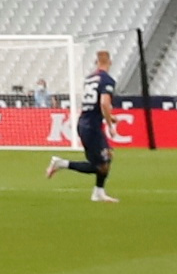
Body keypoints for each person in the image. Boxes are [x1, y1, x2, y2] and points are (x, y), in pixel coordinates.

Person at [46, 47, 123, 201]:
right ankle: (61, 164)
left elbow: (93, 104)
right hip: (92, 127)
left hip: (85, 123)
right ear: (110, 62)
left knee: (106, 158)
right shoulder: (107, 80)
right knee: (99, 165)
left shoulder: (89, 78)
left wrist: (110, 117)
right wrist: (111, 125)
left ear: (96, 62)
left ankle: (98, 192)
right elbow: (103, 103)